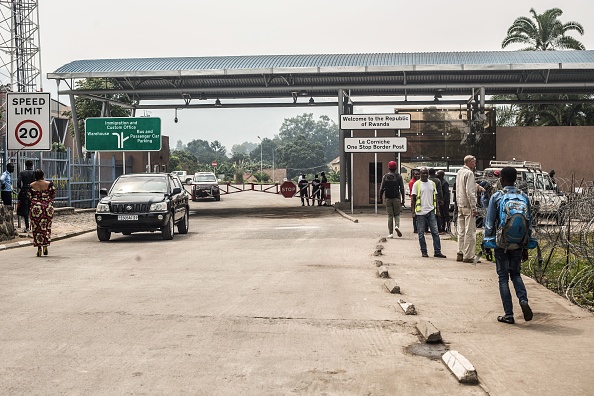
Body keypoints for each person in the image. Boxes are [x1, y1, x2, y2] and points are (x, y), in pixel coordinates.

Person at [483, 166, 533, 325]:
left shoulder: (497, 196)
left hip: (502, 243)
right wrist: (525, 246)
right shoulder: (524, 196)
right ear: (515, 179)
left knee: (503, 278)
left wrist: (486, 243)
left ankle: (509, 314)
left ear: (502, 179)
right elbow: (529, 224)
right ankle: (523, 301)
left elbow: (489, 223)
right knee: (516, 274)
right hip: (518, 243)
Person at [411, 167, 446, 258]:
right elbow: (413, 199)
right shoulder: (417, 184)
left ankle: (437, 251)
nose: (425, 175)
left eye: (426, 173)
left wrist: (437, 210)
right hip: (420, 212)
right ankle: (424, 251)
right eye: (423, 173)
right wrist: (413, 212)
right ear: (420, 174)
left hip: (431, 211)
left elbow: (436, 197)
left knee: (435, 232)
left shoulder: (432, 184)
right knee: (421, 233)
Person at [456, 155, 480, 263]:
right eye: (474, 163)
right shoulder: (469, 173)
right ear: (469, 162)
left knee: (461, 231)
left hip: (460, 204)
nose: (475, 165)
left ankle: (460, 252)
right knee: (470, 231)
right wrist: (474, 207)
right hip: (468, 206)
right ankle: (469, 255)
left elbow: (458, 188)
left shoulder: (459, 172)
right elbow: (470, 192)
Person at [28, 169, 56, 257]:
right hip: (47, 207)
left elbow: (29, 196)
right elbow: (53, 194)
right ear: (43, 175)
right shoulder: (49, 184)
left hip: (36, 208)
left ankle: (39, 248)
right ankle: (45, 245)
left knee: (36, 228)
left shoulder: (31, 185)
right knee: (46, 227)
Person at [379, 161, 405, 238]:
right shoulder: (399, 176)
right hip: (396, 198)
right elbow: (402, 188)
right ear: (396, 168)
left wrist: (380, 197)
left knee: (390, 215)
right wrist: (403, 198)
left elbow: (381, 188)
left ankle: (390, 233)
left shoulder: (385, 176)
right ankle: (397, 226)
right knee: (397, 214)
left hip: (387, 198)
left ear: (389, 168)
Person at [17, 160, 35, 232]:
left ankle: (27, 227)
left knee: (25, 210)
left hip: (24, 192)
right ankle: (33, 226)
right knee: (33, 209)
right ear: (32, 165)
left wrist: (21, 187)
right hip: (32, 192)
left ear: (25, 165)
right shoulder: (34, 173)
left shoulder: (22, 173)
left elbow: (18, 182)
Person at [408, 169, 421, 233]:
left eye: (418, 174)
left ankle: (419, 227)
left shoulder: (419, 182)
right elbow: (412, 193)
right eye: (416, 174)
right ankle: (415, 228)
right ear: (413, 175)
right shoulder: (412, 182)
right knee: (414, 215)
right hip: (414, 200)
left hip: (419, 200)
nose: (418, 175)